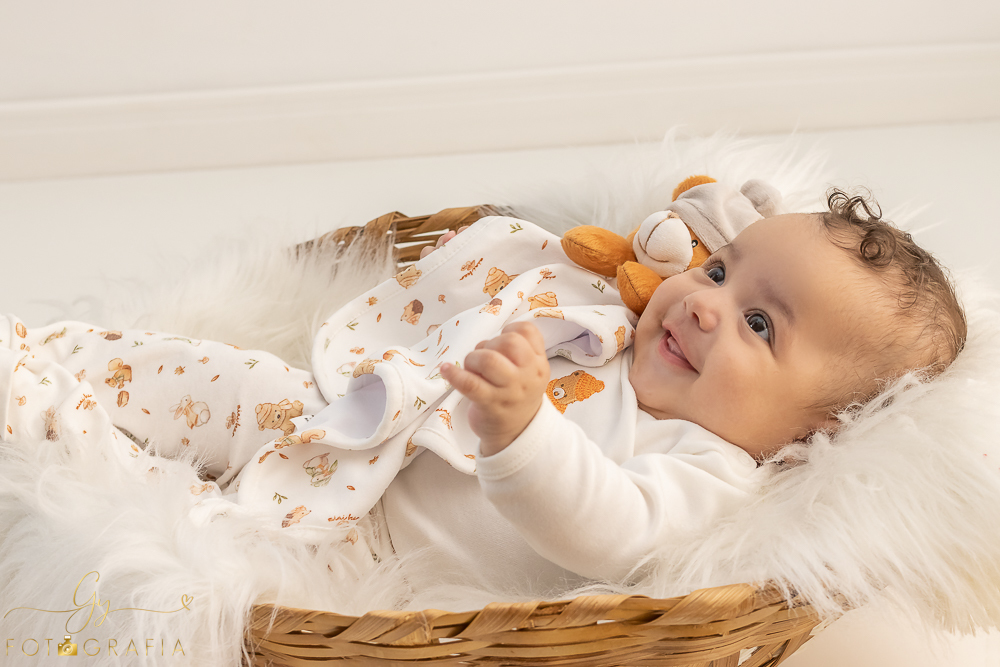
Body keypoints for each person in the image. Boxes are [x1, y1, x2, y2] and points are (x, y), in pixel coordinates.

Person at [0, 188, 965, 588]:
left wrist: (525, 433)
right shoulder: (628, 332)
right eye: (719, 273)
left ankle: (64, 426)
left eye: (761, 324)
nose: (707, 305)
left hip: (361, 554)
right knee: (218, 379)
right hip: (348, 433)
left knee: (174, 537)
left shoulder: (712, 471)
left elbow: (613, 529)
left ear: (818, 432)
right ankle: (40, 369)